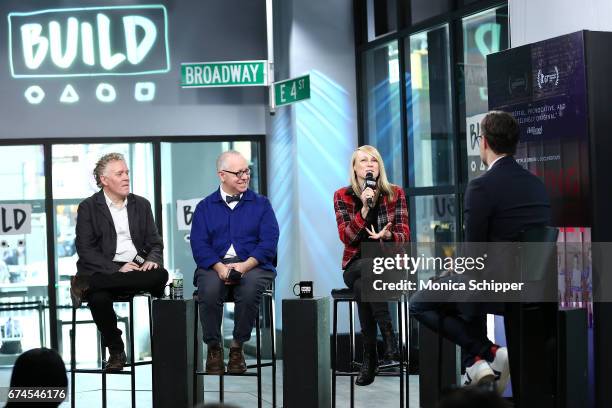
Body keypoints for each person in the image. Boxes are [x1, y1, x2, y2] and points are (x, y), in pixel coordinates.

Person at [410, 111, 551, 394]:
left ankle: (486, 352)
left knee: (420, 303)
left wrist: (456, 270)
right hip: (533, 286)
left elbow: (475, 249)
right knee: (462, 284)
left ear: (483, 142)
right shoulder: (537, 184)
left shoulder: (481, 186)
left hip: (495, 287)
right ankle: (478, 361)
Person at [71, 153, 168, 372]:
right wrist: (117, 269)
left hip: (134, 270)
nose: (126, 178)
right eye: (119, 174)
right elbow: (85, 250)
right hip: (107, 269)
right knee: (98, 299)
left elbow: (155, 243)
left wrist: (151, 260)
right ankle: (116, 350)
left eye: (127, 173)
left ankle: (84, 285)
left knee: (161, 275)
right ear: (104, 180)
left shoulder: (142, 205)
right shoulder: (88, 207)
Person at [191, 151, 279, 375]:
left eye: (246, 171)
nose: (244, 177)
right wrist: (220, 268)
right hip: (215, 265)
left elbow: (269, 242)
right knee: (209, 289)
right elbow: (199, 245)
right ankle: (214, 348)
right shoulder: (205, 207)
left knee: (249, 288)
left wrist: (244, 266)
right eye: (238, 173)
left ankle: (238, 348)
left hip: (253, 265)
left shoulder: (262, 205)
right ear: (222, 175)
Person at [333, 145, 410, 386]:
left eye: (374, 161)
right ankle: (388, 334)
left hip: (387, 265)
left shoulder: (395, 193)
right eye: (363, 161)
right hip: (355, 264)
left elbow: (405, 235)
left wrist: (388, 237)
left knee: (364, 284)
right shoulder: (342, 196)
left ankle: (370, 355)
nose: (369, 165)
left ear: (379, 167)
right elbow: (346, 237)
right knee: (366, 268)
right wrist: (364, 209)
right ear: (355, 168)